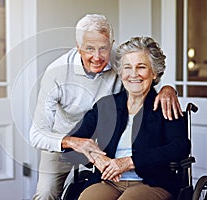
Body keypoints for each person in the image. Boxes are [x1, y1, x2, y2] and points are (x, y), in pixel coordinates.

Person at [29, 14, 182, 200]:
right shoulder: (58, 73)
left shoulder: (159, 101)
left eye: (103, 48)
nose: (97, 56)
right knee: (47, 193)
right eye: (89, 49)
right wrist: (79, 145)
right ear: (78, 48)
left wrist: (168, 89)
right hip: (62, 138)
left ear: (111, 45)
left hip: (142, 175)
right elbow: (37, 134)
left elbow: (179, 146)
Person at [67, 36, 190, 200]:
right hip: (109, 181)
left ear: (154, 73)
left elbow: (180, 146)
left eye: (141, 67)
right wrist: (96, 158)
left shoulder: (165, 104)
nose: (133, 74)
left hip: (151, 183)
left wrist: (130, 162)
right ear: (120, 72)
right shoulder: (105, 106)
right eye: (127, 67)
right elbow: (72, 142)